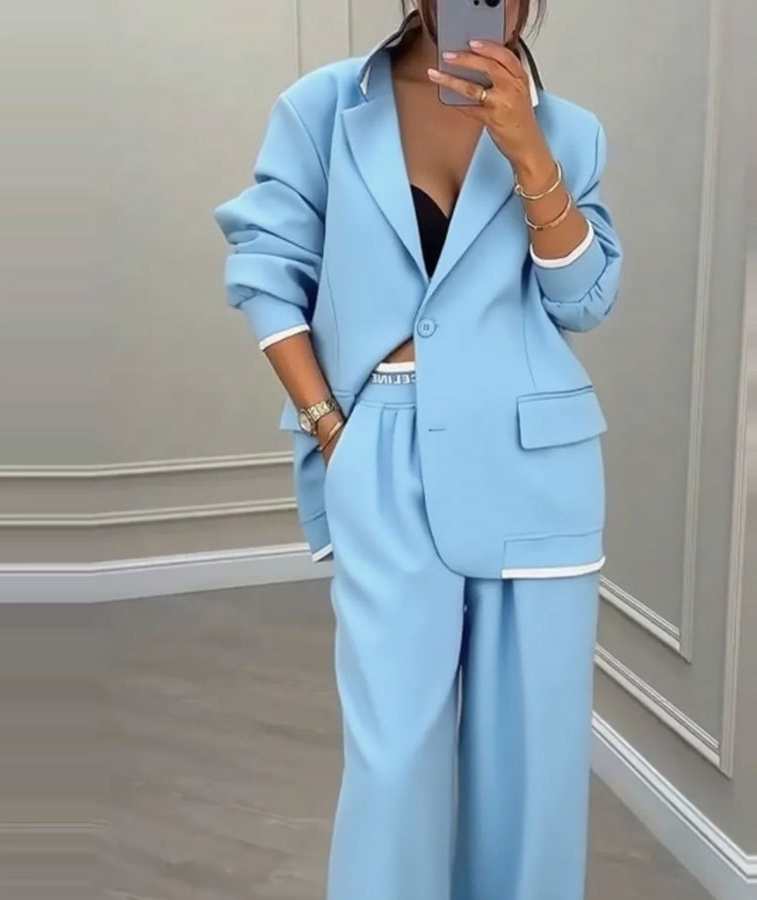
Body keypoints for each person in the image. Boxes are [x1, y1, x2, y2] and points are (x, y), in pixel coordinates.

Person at [214, 2, 623, 898]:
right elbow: (266, 274)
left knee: (531, 773)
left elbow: (585, 301)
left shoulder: (570, 132)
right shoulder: (324, 109)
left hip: (536, 468)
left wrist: (529, 154)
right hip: (383, 452)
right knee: (393, 761)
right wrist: (331, 430)